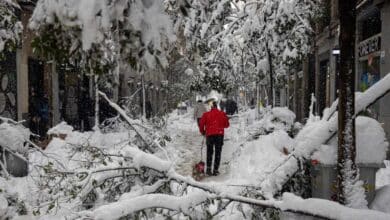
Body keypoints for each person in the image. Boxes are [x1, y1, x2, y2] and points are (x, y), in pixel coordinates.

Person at [199, 101, 229, 176]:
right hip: (219, 135)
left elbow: (201, 125)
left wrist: (203, 132)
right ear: (217, 107)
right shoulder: (222, 114)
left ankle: (208, 169)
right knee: (218, 152)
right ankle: (215, 170)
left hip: (209, 135)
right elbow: (227, 125)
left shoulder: (206, 114)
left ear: (211, 107)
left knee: (209, 152)